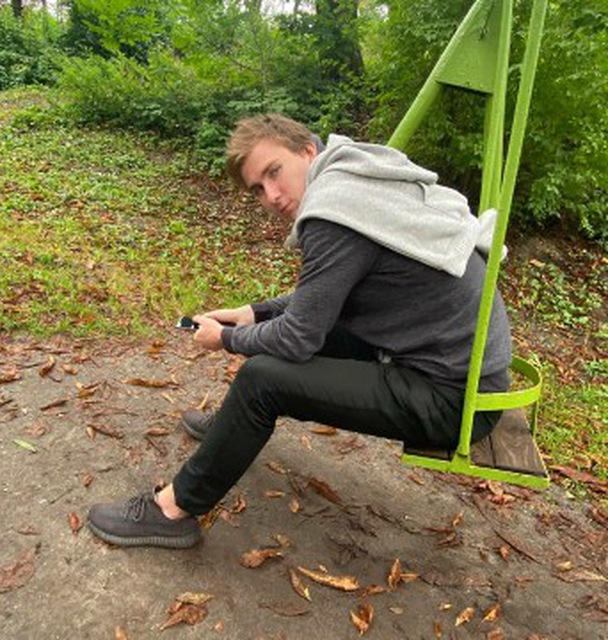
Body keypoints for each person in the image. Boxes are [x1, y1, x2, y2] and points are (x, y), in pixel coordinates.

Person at [87, 113, 512, 549]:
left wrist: (226, 338)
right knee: (277, 345)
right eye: (258, 188)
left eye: (274, 172)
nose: (271, 196)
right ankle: (233, 427)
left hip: (453, 401)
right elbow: (324, 296)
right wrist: (254, 313)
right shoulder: (354, 175)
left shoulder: (334, 212)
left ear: (307, 150)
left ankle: (173, 511)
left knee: (262, 380)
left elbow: (298, 337)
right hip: (454, 368)